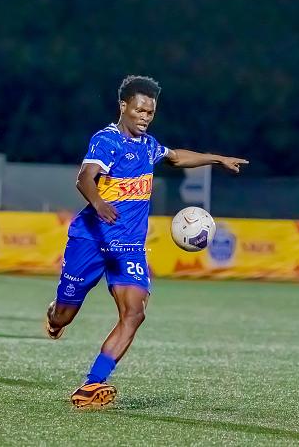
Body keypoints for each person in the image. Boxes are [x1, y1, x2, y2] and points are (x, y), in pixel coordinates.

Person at [45, 75, 248, 408]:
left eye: (150, 112)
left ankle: (92, 383)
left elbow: (176, 157)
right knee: (63, 316)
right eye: (139, 110)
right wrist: (99, 203)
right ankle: (54, 315)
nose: (144, 117)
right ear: (123, 106)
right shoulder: (106, 140)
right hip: (90, 240)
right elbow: (84, 177)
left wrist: (216, 158)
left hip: (128, 246)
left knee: (135, 313)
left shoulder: (148, 146)